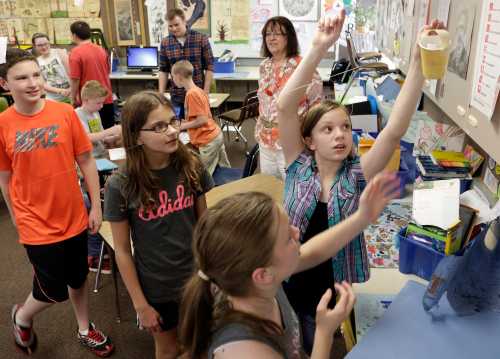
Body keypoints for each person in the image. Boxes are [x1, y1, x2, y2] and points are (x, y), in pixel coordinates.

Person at [278, 13, 445, 353]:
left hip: (330, 288)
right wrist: (319, 47)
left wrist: (417, 64)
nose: (341, 135)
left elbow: (395, 129)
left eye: (344, 127)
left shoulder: (355, 174)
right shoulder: (297, 165)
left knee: (316, 339)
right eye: (328, 129)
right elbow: (284, 107)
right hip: (289, 279)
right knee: (288, 341)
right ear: (309, 140)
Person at [178, 171, 400, 359]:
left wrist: (363, 217)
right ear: (262, 275)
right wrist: (323, 333)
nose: (297, 232)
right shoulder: (246, 351)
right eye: (288, 237)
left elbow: (314, 251)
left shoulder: (253, 281)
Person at [0, 48, 114, 357]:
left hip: (73, 213)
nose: (32, 82)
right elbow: (5, 178)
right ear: (5, 85)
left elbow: (87, 160)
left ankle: (84, 327)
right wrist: (14, 215)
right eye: (21, 77)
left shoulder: (63, 113)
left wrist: (96, 206)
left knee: (78, 278)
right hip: (34, 220)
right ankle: (22, 316)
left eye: (36, 74)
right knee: (53, 290)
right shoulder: (3, 124)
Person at [103, 91, 213, 359]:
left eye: (173, 121)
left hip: (195, 279)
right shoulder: (121, 184)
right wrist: (140, 304)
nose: (172, 131)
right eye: (159, 127)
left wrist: (212, 274)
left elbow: (205, 226)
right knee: (168, 348)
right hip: (158, 286)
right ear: (136, 135)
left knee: (197, 342)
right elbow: (122, 251)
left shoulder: (192, 166)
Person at [257, 16, 323, 180]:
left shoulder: (302, 67)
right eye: (268, 34)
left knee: (294, 190)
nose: (271, 38)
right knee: (269, 188)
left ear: (289, 37)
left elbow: (317, 106)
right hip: (266, 140)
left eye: (277, 34)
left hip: (291, 140)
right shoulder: (264, 66)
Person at [75, 80, 122, 274]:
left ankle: (114, 240)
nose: (101, 106)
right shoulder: (76, 115)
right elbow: (85, 139)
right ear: (86, 99)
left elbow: (98, 137)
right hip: (89, 163)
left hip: (101, 157)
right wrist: (108, 132)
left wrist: (112, 138)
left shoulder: (94, 113)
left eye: (103, 103)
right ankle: (95, 253)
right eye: (98, 103)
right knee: (98, 201)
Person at [171, 60, 230, 175]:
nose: (172, 79)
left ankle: (210, 192)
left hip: (208, 141)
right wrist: (187, 122)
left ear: (179, 77)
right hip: (215, 135)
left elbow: (202, 119)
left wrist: (183, 125)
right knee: (225, 168)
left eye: (172, 77)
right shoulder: (199, 90)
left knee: (201, 174)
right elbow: (203, 116)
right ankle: (229, 190)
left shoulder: (191, 94)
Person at [159, 8, 214, 119]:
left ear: (184, 21)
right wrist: (160, 94)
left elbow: (209, 67)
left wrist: (206, 92)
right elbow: (163, 70)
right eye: (170, 26)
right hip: (176, 95)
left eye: (176, 25)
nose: (173, 29)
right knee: (178, 128)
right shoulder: (165, 43)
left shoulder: (201, 39)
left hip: (197, 94)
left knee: (198, 126)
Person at [69, 21, 115, 129]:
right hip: (106, 99)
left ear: (74, 35)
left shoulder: (75, 53)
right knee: (109, 133)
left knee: (94, 135)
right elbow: (107, 71)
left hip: (90, 102)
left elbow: (75, 79)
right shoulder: (101, 50)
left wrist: (72, 98)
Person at [31, 33, 71, 103]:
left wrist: (71, 89)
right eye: (40, 45)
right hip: (53, 96)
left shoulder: (60, 53)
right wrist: (60, 91)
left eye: (46, 44)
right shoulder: (36, 62)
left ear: (49, 42)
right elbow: (42, 84)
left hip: (70, 91)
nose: (44, 47)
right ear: (34, 46)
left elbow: (72, 73)